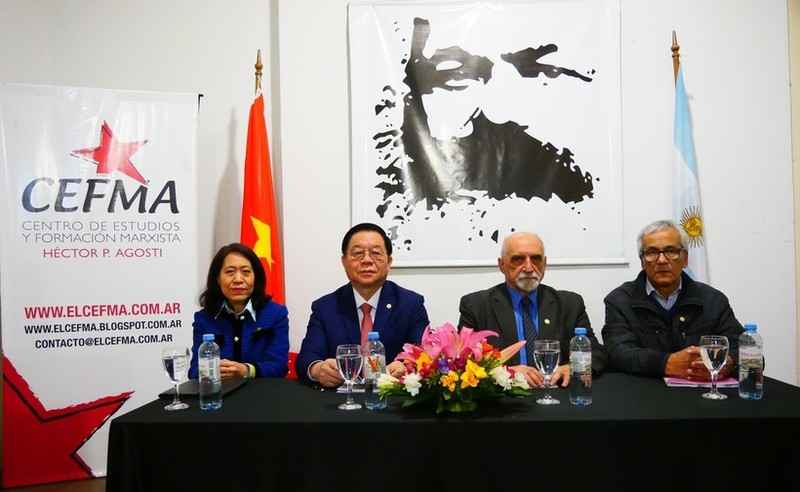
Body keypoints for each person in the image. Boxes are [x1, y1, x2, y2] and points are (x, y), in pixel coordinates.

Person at [458, 231, 606, 388]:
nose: (528, 267)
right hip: (505, 400)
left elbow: (597, 353)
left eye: (535, 259)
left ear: (545, 263)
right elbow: (462, 361)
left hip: (557, 395)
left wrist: (575, 368)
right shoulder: (476, 306)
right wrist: (505, 372)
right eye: (518, 259)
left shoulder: (570, 303)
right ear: (502, 265)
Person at [601, 219, 744, 380]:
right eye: (652, 252)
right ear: (642, 261)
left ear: (685, 258)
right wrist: (666, 363)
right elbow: (616, 352)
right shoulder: (620, 300)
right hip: (645, 392)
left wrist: (728, 363)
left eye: (671, 251)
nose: (661, 260)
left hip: (701, 391)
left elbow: (744, 349)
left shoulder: (713, 300)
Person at [296, 222, 430, 388]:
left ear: (388, 262)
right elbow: (307, 358)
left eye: (375, 253)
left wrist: (407, 367)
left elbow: (424, 355)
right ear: (344, 262)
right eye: (358, 253)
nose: (367, 260)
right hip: (340, 402)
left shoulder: (411, 304)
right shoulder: (325, 307)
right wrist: (318, 369)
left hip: (393, 401)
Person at [188, 243, 289, 379]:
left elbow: (279, 366)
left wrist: (247, 371)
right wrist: (213, 370)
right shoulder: (204, 319)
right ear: (218, 278)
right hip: (220, 395)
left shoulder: (276, 314)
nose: (238, 279)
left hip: (262, 395)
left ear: (255, 277)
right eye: (230, 272)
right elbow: (194, 371)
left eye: (246, 272)